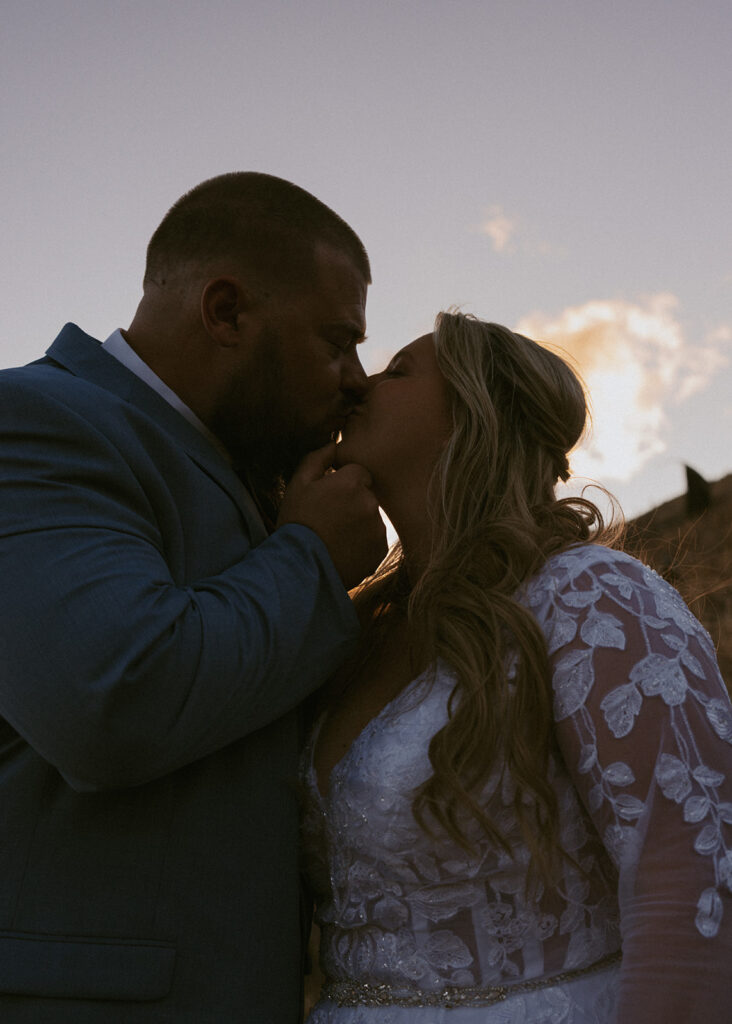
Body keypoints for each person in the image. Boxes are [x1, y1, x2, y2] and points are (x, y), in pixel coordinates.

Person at [0, 172, 387, 1022]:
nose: (358, 379)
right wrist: (316, 559)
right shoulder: (31, 417)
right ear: (226, 311)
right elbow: (109, 698)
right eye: (338, 342)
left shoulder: (246, 470)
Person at [300, 312, 732, 1022]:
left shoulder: (590, 598)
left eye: (399, 370)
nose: (362, 383)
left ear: (473, 415)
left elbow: (689, 881)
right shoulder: (358, 629)